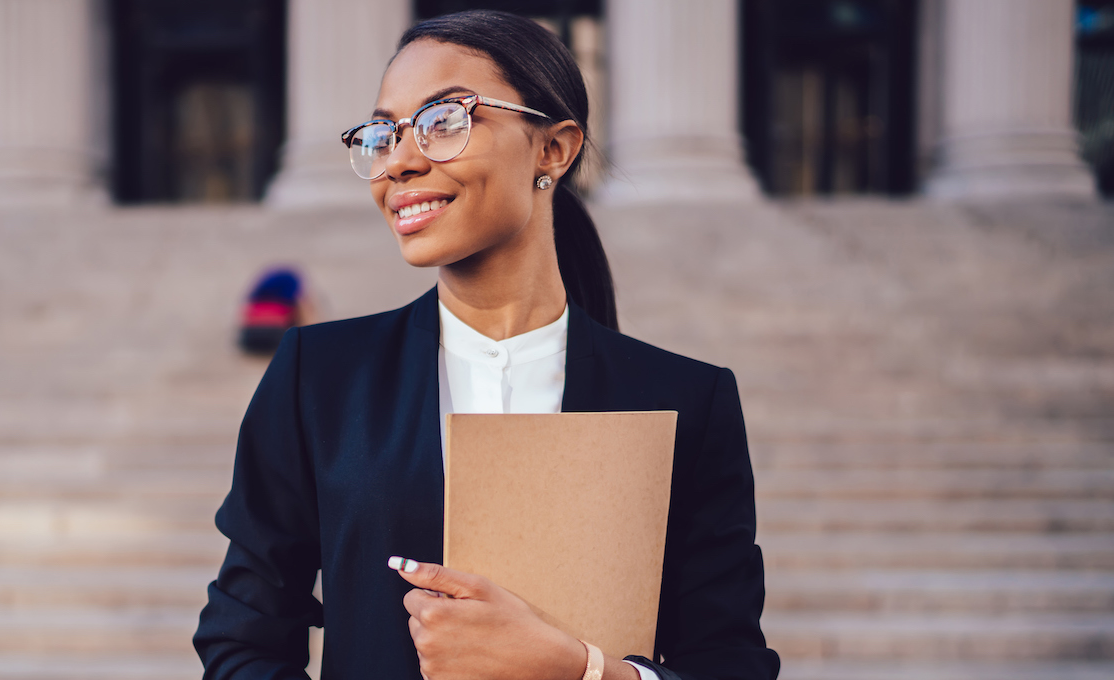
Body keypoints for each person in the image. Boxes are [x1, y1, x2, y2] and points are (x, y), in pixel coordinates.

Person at [194, 10, 779, 680]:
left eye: (444, 121)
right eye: (384, 134)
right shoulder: (317, 380)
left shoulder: (685, 401)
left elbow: (731, 665)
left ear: (552, 150)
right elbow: (241, 645)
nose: (402, 162)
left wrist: (581, 669)